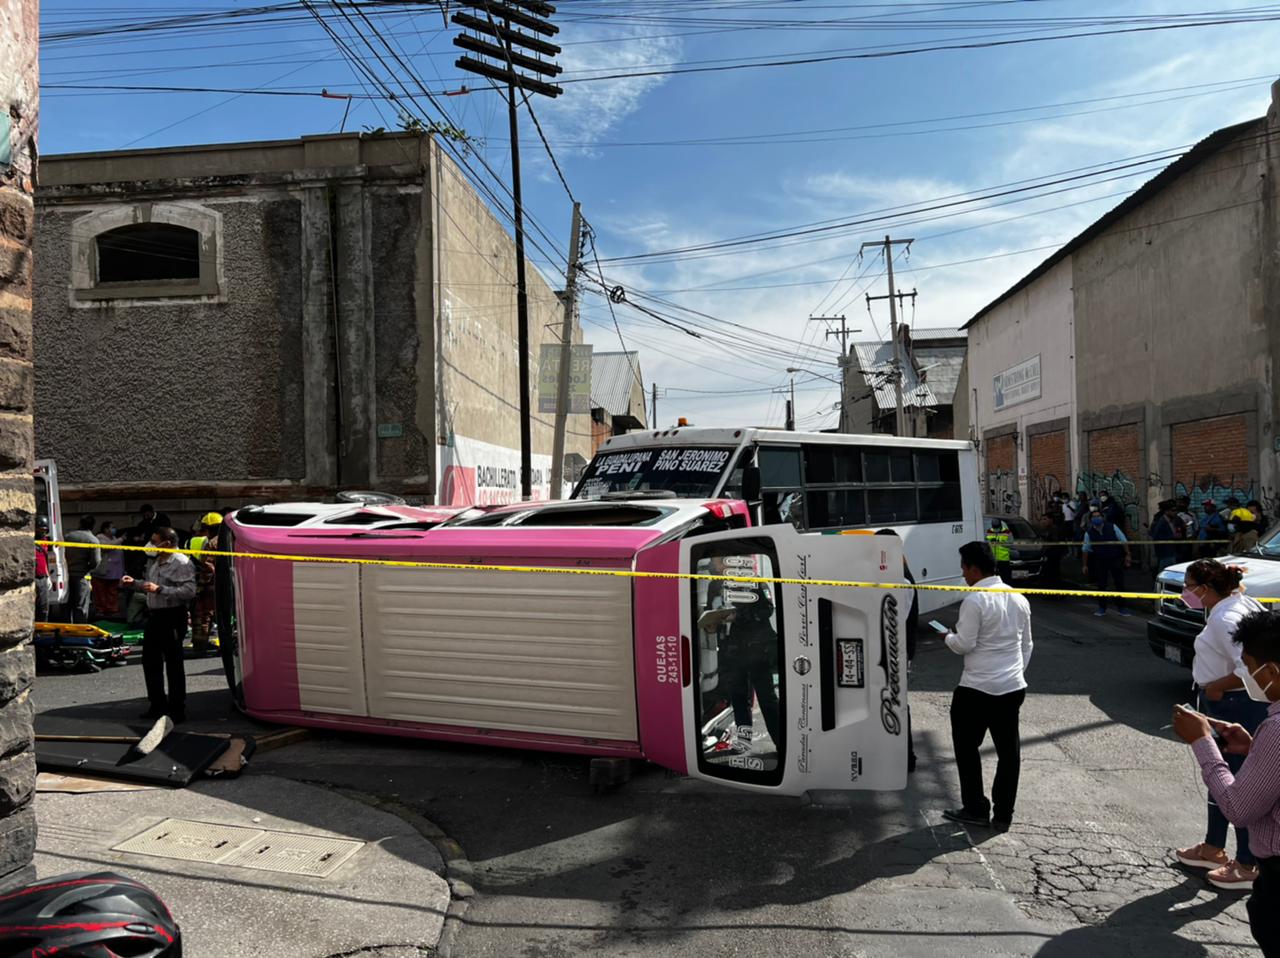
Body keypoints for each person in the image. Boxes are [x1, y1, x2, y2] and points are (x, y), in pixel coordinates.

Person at [1171, 608, 1280, 954]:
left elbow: (1237, 808)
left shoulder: (1277, 730)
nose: (1244, 673)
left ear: (1273, 671)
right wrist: (1254, 751)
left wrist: (1202, 742)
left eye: (1248, 665)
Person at [1173, 560, 1268, 890]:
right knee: (1218, 779)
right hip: (1227, 701)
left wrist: (1217, 687)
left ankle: (1246, 862)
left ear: (1205, 589)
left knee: (1236, 782)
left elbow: (1252, 666)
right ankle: (1213, 846)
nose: (1185, 592)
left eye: (1188, 586)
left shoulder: (1227, 617)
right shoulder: (1235, 604)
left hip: (1234, 704)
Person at [940, 541, 1033, 831]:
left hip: (977, 688)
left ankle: (975, 808)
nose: (963, 574)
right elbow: (1027, 644)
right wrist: (1015, 672)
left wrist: (947, 636)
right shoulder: (1018, 597)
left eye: (964, 568)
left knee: (967, 748)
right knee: (1009, 753)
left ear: (974, 568)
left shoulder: (976, 599)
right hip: (1012, 686)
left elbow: (964, 644)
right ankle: (1003, 814)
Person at [121, 527, 196, 723]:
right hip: (155, 616)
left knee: (173, 663)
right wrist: (135, 583)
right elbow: (150, 586)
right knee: (150, 660)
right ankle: (157, 704)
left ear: (168, 543)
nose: (151, 544)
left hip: (172, 616)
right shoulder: (156, 561)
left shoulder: (180, 562)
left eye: (155, 541)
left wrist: (161, 589)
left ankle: (177, 708)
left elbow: (189, 590)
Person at [877, 528, 919, 772]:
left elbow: (895, 620)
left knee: (898, 703)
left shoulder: (902, 581)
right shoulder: (896, 576)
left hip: (899, 653)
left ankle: (907, 757)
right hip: (895, 652)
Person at [1081, 503, 1133, 617]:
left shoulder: (1112, 527)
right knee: (1101, 584)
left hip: (1115, 558)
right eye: (1094, 517)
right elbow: (1086, 549)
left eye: (1098, 516)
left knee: (1119, 583)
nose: (1096, 518)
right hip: (1100, 560)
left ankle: (1121, 607)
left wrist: (1128, 555)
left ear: (1102, 517)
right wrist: (1085, 565)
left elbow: (1123, 540)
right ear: (1091, 520)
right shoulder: (1089, 533)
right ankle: (1102, 607)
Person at [188, 512, 222, 654]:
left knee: (202, 615)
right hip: (224, 584)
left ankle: (199, 646)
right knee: (222, 616)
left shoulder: (211, 543)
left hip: (210, 585)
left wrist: (200, 586)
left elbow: (208, 567)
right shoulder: (227, 540)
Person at [63, 516, 101, 623]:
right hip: (81, 576)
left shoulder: (67, 536)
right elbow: (96, 562)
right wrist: (87, 568)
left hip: (65, 576)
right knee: (81, 606)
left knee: (66, 605)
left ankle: (65, 631)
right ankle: (79, 632)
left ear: (79, 523)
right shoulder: (93, 540)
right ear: (93, 526)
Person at [91, 520, 124, 619]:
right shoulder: (99, 538)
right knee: (100, 592)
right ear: (105, 529)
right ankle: (101, 610)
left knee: (112, 592)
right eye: (111, 527)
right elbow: (107, 547)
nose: (114, 529)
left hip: (115, 572)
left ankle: (112, 610)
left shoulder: (115, 538)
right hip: (102, 571)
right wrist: (121, 539)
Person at [1150, 500, 1182, 573]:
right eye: (1173, 510)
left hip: (1172, 550)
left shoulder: (1173, 520)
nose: (1175, 512)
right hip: (1165, 552)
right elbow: (1155, 536)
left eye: (1176, 510)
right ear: (1166, 511)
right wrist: (1172, 536)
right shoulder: (1161, 522)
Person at [33, 516, 50, 623]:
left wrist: (48, 576)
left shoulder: (46, 541)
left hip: (43, 578)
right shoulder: (29, 541)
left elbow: (46, 559)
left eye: (45, 530)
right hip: (32, 578)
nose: (43, 532)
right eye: (41, 530)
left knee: (43, 607)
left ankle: (43, 631)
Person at [986, 518, 1012, 584]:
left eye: (997, 528)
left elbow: (1010, 543)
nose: (996, 530)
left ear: (1000, 526)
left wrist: (1000, 542)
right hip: (993, 559)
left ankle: (1006, 592)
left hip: (1004, 560)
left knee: (1005, 579)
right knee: (993, 579)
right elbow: (986, 543)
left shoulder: (1007, 532)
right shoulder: (989, 531)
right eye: (995, 528)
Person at [1176, 496, 1199, 563]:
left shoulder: (1191, 515)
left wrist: (1193, 537)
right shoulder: (1174, 514)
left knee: (1186, 559)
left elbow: (1196, 527)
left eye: (1182, 502)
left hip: (1188, 540)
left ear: (1187, 504)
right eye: (1178, 502)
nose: (1179, 504)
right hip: (1176, 540)